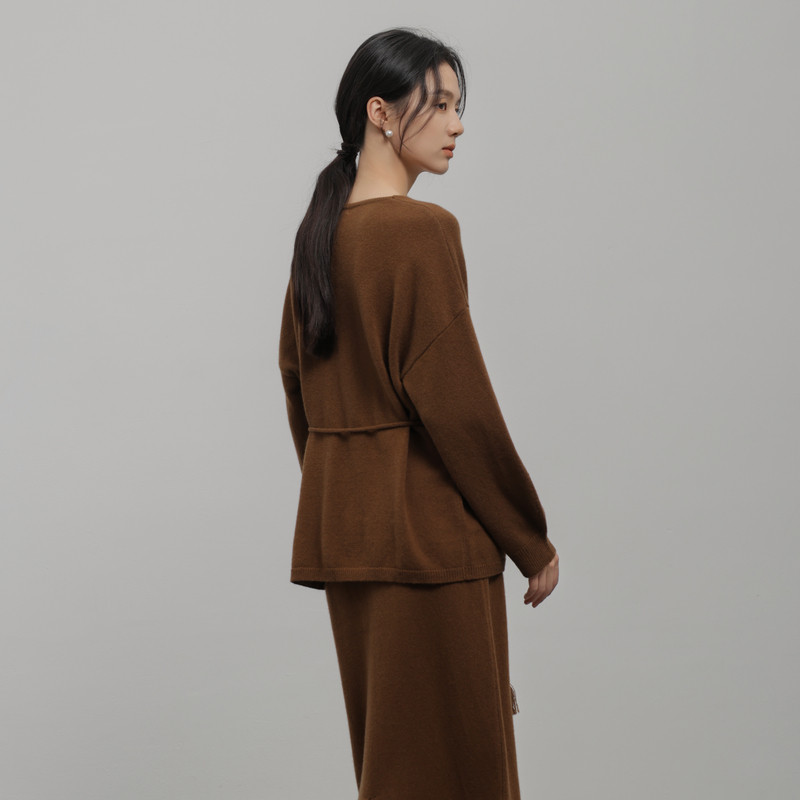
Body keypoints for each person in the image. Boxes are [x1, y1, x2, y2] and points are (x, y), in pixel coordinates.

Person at [279, 26, 559, 800]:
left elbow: (298, 384)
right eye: (438, 104)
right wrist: (527, 536)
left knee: (395, 768)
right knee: (463, 771)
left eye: (458, 106)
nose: (457, 124)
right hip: (432, 545)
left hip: (349, 541)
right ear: (380, 112)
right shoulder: (422, 231)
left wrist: (346, 491)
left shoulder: (319, 235)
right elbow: (457, 404)